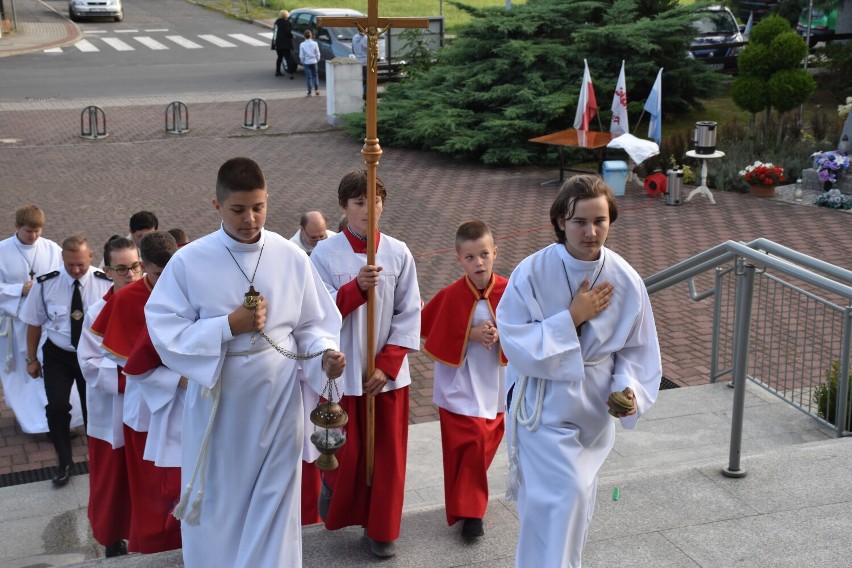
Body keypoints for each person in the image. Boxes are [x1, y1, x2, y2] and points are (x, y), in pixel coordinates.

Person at [144, 157, 345, 567]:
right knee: (222, 505)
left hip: (279, 401)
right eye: (238, 209)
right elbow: (164, 332)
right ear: (217, 206)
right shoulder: (188, 261)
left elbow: (313, 323)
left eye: (258, 207)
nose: (250, 218)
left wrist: (324, 355)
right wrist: (226, 326)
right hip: (222, 407)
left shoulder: (291, 257)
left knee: (275, 506)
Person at [496, 175, 662, 568]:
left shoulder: (624, 277)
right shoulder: (532, 272)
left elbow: (638, 348)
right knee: (560, 498)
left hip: (593, 409)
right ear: (559, 221)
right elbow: (514, 341)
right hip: (544, 407)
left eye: (600, 221)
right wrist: (571, 318)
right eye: (580, 222)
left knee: (575, 503)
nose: (590, 232)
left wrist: (629, 389)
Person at [310, 169, 421, 558]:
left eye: (375, 201)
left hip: (384, 378)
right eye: (359, 202)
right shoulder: (324, 254)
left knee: (387, 458)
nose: (368, 209)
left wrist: (388, 364)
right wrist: (356, 288)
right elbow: (318, 314)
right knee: (348, 452)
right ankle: (335, 493)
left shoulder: (397, 251)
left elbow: (410, 313)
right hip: (343, 373)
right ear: (344, 206)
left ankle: (382, 529)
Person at [92, 231, 182, 554]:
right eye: (158, 274)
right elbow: (117, 355)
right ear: (144, 267)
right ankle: (154, 550)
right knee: (153, 491)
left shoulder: (184, 287)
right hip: (146, 407)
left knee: (184, 485)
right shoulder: (126, 299)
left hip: (185, 406)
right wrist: (173, 378)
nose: (166, 281)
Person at [420, 219, 508, 539]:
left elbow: (529, 327)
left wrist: (502, 333)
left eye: (484, 254)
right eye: (470, 257)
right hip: (461, 384)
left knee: (484, 444)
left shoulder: (510, 291)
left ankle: (464, 503)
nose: (478, 262)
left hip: (496, 384)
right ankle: (472, 515)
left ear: (494, 252)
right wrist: (469, 334)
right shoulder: (450, 295)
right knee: (469, 443)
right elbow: (428, 328)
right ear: (459, 260)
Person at [20, 234, 112, 485]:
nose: (76, 269)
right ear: (62, 259)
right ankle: (64, 462)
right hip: (58, 354)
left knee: (94, 409)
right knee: (57, 407)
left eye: (81, 264)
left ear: (91, 257)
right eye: (70, 264)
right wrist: (31, 359)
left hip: (92, 355)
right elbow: (34, 324)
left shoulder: (105, 282)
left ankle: (99, 461)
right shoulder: (45, 283)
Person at [77, 236, 143, 557]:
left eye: (135, 267)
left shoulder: (155, 303)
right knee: (112, 483)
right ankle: (112, 538)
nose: (130, 275)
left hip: (148, 409)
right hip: (113, 412)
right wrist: (134, 376)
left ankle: (145, 535)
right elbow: (89, 364)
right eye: (121, 269)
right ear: (106, 271)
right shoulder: (95, 313)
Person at [0, 205, 66, 435]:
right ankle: (35, 423)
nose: (35, 236)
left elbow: (63, 278)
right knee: (25, 376)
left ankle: (54, 421)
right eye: (29, 231)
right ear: (17, 227)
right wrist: (20, 289)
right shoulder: (2, 251)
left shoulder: (51, 249)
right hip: (16, 326)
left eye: (38, 231)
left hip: (46, 323)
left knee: (49, 371)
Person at [271, 9, 295, 79]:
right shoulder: (286, 23)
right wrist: (292, 36)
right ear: (286, 15)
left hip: (278, 43)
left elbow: (275, 31)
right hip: (285, 43)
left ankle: (277, 71)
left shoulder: (277, 22)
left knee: (279, 57)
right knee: (288, 58)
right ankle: (291, 73)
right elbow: (287, 32)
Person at [299, 29, 321, 97]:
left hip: (307, 62)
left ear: (304, 36)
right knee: (315, 75)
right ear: (311, 35)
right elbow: (317, 53)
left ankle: (309, 92)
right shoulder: (315, 43)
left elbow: (301, 55)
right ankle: (317, 90)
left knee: (308, 77)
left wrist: (302, 61)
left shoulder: (302, 44)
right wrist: (317, 59)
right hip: (314, 61)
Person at [352, 27, 368, 100]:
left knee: (359, 79)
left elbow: (353, 50)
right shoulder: (366, 38)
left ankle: (358, 94)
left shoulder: (354, 37)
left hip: (357, 61)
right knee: (366, 80)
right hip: (365, 61)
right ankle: (365, 95)